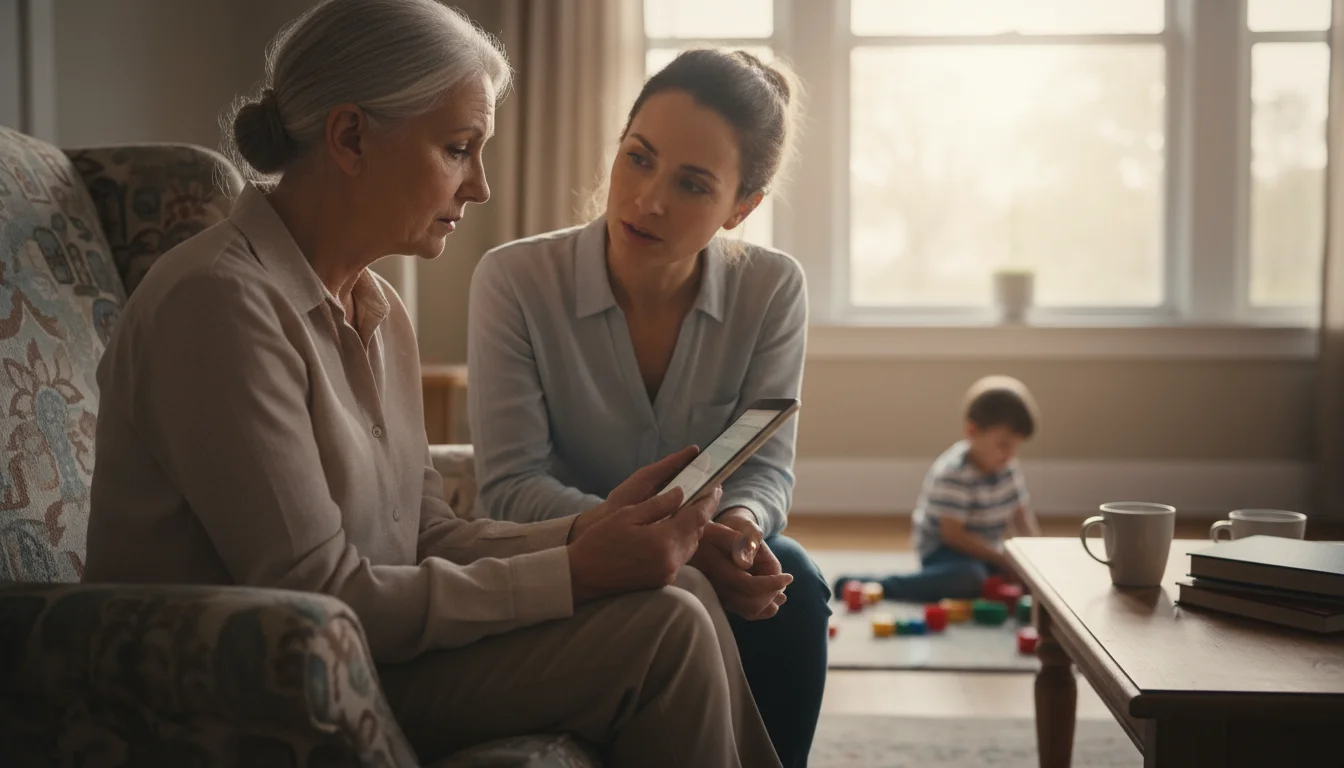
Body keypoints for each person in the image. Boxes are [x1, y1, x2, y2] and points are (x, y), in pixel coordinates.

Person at [81, 2, 780, 765]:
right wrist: (577, 570)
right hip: (253, 690)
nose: (479, 187)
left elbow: (426, 537)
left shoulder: (378, 311)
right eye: (458, 149)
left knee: (684, 592)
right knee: (665, 633)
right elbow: (325, 598)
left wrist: (596, 531)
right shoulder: (219, 303)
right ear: (350, 137)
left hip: (371, 657)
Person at [468, 49, 829, 768]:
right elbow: (508, 488)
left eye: (693, 184)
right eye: (638, 158)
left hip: (703, 546)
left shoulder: (773, 290)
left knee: (793, 585)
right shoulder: (513, 280)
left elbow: (763, 473)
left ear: (741, 208)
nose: (648, 199)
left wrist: (739, 530)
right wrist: (682, 549)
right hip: (567, 560)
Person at [834, 376, 1043, 603]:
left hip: (984, 553)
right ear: (972, 431)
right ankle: (873, 584)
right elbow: (952, 534)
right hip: (945, 552)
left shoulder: (1007, 468)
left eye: (1015, 447)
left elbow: (1020, 514)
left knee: (1015, 576)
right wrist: (1001, 559)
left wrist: (1034, 556)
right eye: (1003, 445)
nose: (1010, 455)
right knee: (969, 577)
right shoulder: (955, 472)